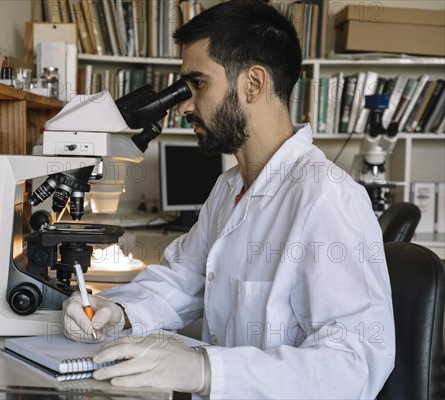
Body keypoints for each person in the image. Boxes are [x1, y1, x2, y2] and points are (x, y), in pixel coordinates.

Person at [62, 0, 396, 397]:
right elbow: (185, 279)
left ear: (253, 84)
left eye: (198, 84)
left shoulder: (327, 199)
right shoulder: (229, 187)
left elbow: (354, 365)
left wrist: (207, 370)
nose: (183, 105)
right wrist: (117, 311)